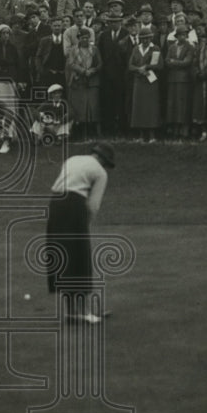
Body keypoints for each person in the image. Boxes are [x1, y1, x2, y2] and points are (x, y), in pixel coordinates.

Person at [45, 141, 116, 324]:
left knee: (64, 256)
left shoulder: (72, 159)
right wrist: (85, 224)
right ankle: (84, 312)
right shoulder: (100, 172)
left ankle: (72, 311)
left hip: (55, 204)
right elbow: (93, 205)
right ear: (103, 159)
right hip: (74, 206)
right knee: (80, 257)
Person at [127, 25, 162, 142]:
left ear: (151, 38)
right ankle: (141, 135)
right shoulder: (136, 49)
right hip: (139, 81)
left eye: (147, 38)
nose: (145, 40)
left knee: (151, 108)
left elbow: (158, 65)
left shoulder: (155, 48)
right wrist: (138, 69)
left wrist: (146, 67)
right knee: (139, 107)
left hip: (151, 81)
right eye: (143, 38)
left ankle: (152, 135)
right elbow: (130, 65)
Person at [163, 21, 195, 138]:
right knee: (173, 104)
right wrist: (176, 63)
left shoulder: (190, 47)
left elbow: (187, 62)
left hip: (184, 79)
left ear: (187, 35)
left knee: (183, 104)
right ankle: (174, 128)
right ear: (176, 36)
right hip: (172, 79)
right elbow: (166, 61)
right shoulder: (172, 47)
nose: (182, 36)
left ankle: (184, 128)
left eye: (184, 34)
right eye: (180, 34)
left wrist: (174, 62)